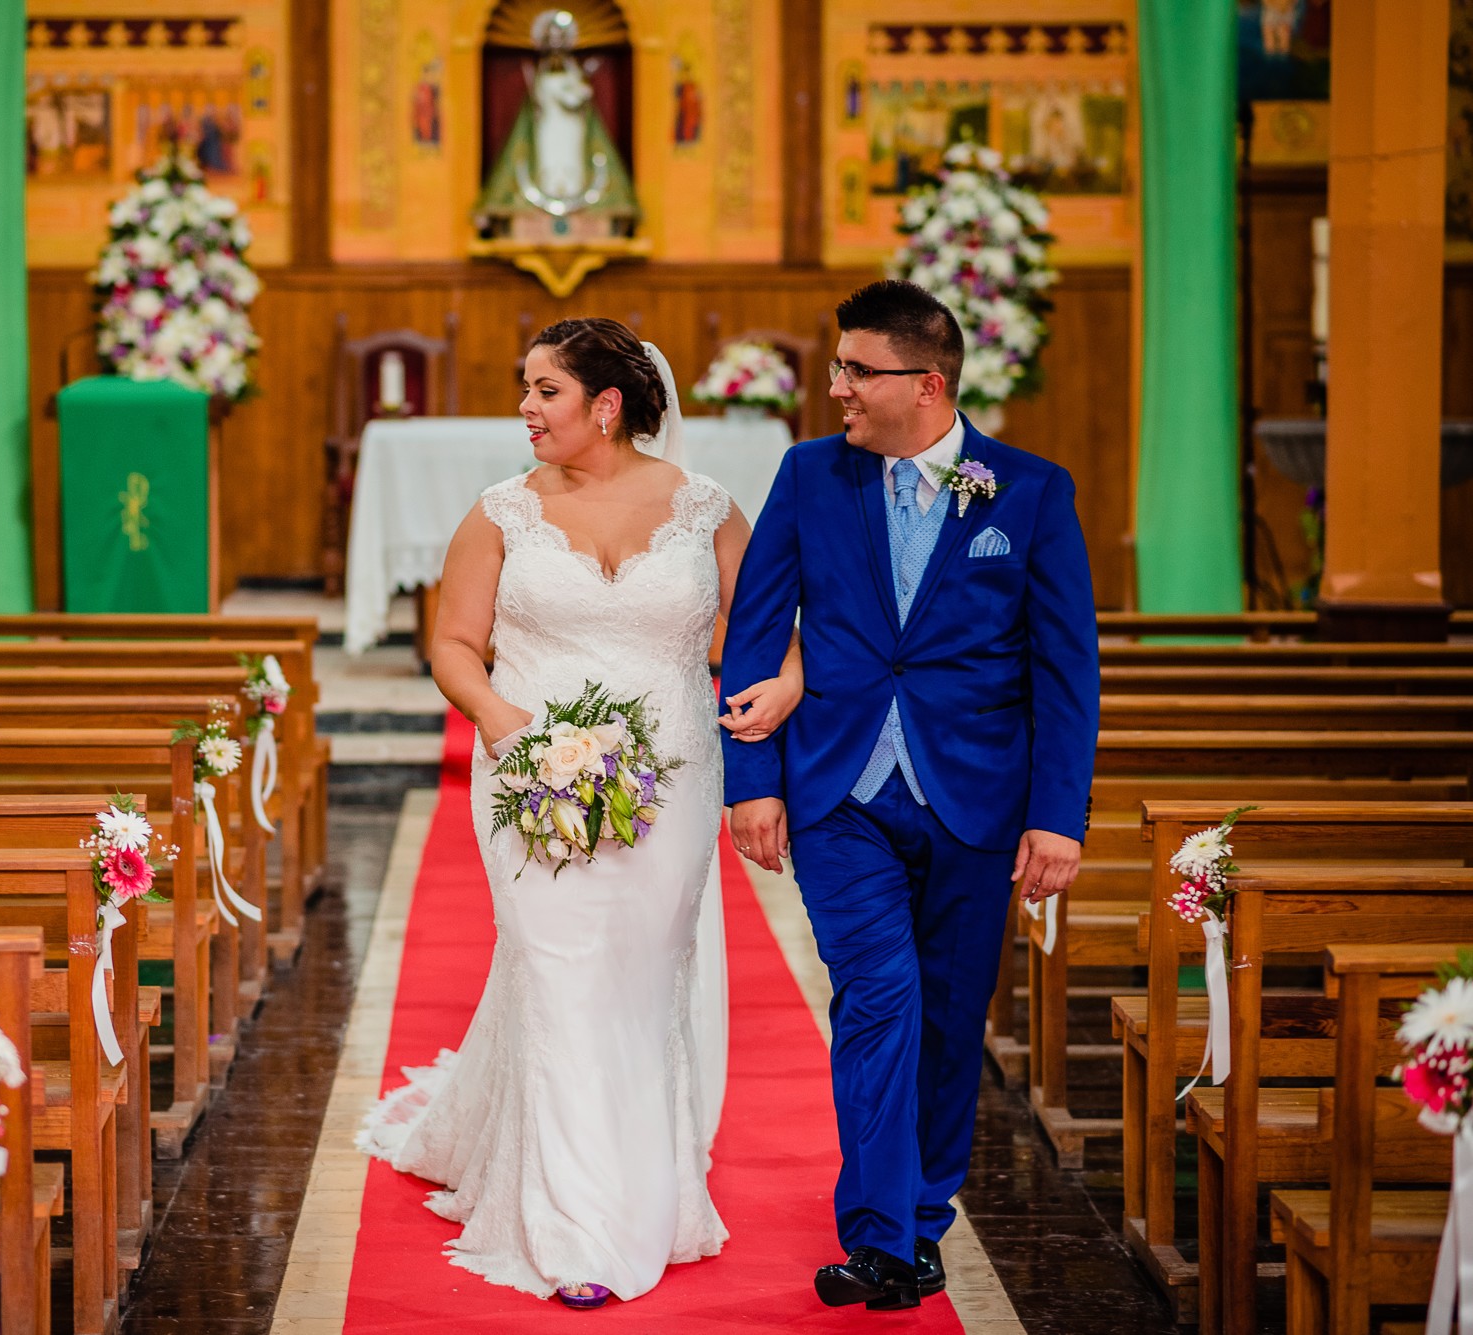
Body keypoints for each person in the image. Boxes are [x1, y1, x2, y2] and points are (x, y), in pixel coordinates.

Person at [358, 317, 804, 1307]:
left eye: (543, 390)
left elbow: (768, 631)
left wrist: (784, 684)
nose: (524, 407)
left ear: (606, 405)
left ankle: (649, 1182)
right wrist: (508, 722)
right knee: (558, 972)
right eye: (526, 387)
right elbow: (454, 646)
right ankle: (575, 1227)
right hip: (531, 773)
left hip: (675, 780)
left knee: (641, 980)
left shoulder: (706, 510)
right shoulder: (499, 513)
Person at [720, 279, 1098, 1311]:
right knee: (878, 996)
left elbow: (1066, 671)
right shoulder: (807, 478)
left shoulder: (1026, 492)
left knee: (946, 1016)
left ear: (926, 384)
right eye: (836, 366)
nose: (835, 386)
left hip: (976, 801)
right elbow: (754, 634)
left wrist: (1057, 815)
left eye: (855, 370)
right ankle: (882, 1235)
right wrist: (750, 784)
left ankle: (922, 1213)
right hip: (840, 792)